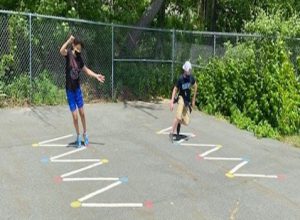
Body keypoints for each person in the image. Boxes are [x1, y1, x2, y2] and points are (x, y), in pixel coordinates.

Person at [60, 35, 105, 147]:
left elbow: (86, 70)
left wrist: (96, 76)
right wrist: (68, 41)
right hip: (69, 90)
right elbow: (61, 51)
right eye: (78, 48)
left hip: (77, 90)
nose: (79, 51)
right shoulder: (69, 54)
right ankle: (78, 136)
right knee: (75, 116)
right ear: (74, 45)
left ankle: (85, 133)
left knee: (82, 113)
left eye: (81, 49)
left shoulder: (79, 58)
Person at [169, 61, 198, 142]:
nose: (190, 71)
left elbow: (195, 86)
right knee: (178, 116)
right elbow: (175, 89)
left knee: (186, 122)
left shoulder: (191, 78)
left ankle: (178, 122)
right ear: (185, 70)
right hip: (181, 98)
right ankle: (171, 133)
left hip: (187, 101)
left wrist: (193, 99)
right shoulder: (181, 78)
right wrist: (171, 101)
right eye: (188, 70)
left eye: (190, 70)